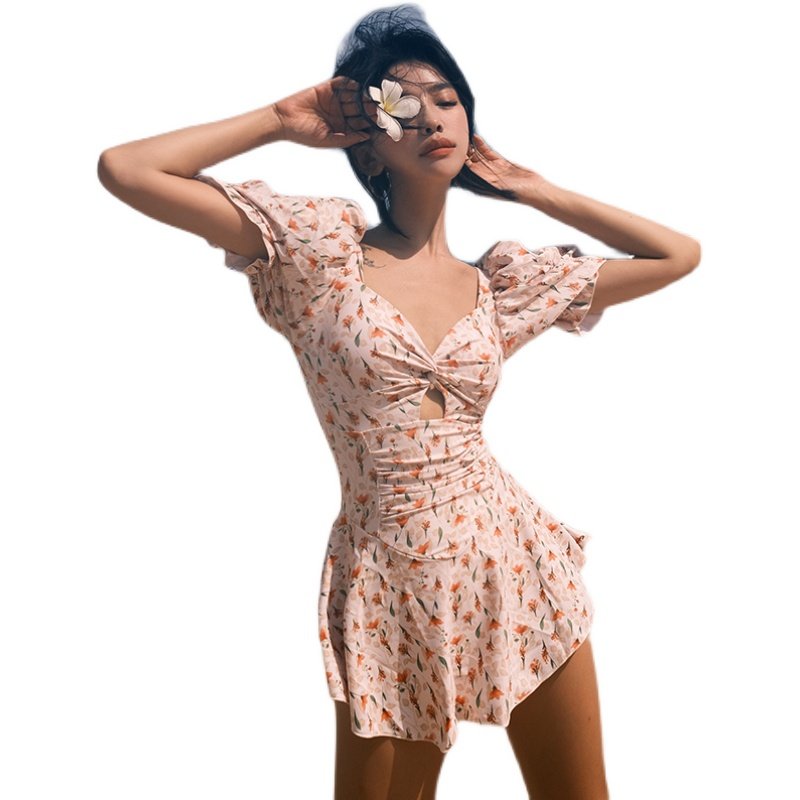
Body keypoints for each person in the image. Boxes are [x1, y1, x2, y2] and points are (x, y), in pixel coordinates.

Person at [97, 4, 700, 798]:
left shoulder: (501, 287)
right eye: (401, 106)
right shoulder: (318, 256)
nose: (430, 118)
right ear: (368, 144)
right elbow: (126, 169)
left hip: (514, 562)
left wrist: (533, 188)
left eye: (446, 99)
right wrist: (278, 120)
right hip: (393, 577)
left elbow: (677, 254)